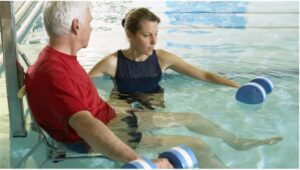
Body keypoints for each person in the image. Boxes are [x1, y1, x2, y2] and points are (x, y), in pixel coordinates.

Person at [24, 2, 228, 168]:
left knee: (192, 119)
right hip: (108, 130)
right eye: (90, 22)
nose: (91, 27)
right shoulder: (55, 73)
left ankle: (234, 140)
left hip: (113, 117)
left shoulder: (55, 59)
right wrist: (139, 162)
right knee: (197, 146)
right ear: (76, 26)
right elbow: (88, 127)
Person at [88, 7, 282, 151]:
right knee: (191, 120)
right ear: (130, 34)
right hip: (126, 116)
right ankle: (235, 141)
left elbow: (204, 75)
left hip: (151, 113)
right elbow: (82, 89)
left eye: (156, 34)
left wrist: (238, 86)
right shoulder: (112, 63)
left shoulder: (162, 58)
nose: (154, 41)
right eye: (147, 35)